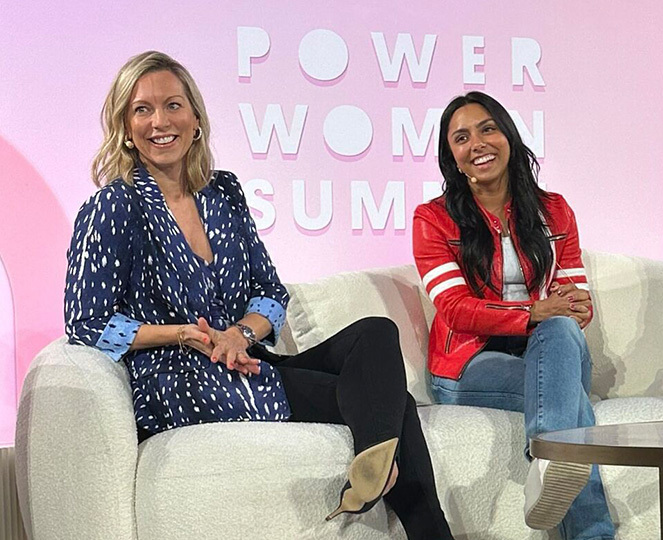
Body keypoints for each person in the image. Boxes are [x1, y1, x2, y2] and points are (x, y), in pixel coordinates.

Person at [64, 51, 453, 539]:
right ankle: (399, 490)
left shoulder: (222, 193)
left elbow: (269, 290)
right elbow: (87, 323)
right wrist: (184, 334)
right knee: (393, 403)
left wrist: (239, 334)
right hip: (179, 381)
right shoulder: (113, 206)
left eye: (173, 105)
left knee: (376, 333)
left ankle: (375, 464)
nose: (159, 122)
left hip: (247, 360)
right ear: (125, 127)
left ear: (196, 119)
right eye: (142, 109)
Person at [412, 91, 615, 540]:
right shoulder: (433, 219)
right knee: (571, 408)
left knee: (560, 329)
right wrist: (534, 310)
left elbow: (574, 302)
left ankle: (548, 458)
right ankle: (563, 474)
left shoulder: (554, 210)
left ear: (508, 136)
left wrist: (576, 305)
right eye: (461, 138)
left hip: (550, 350)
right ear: (453, 158)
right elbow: (456, 309)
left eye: (487, 129)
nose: (477, 144)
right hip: (467, 363)